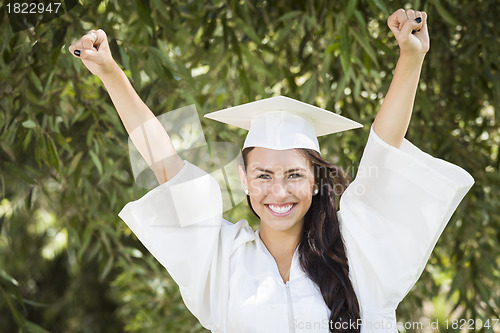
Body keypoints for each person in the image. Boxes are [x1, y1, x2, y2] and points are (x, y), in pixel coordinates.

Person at [69, 8, 474, 333]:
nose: (278, 191)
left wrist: (410, 56)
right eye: (263, 175)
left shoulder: (356, 247)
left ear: (316, 181)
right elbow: (164, 163)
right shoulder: (221, 258)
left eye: (294, 175)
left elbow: (385, 149)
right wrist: (109, 72)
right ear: (244, 180)